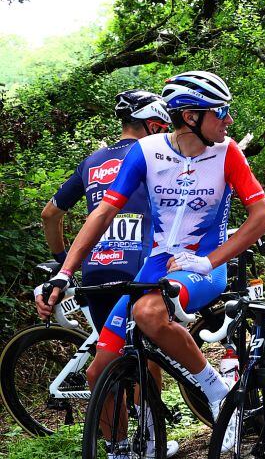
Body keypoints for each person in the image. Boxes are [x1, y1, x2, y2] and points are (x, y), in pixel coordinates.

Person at [37, 71, 265, 453]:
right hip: (156, 263)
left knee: (148, 313)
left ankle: (218, 393)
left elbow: (263, 217)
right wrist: (65, 272)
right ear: (190, 117)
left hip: (203, 265)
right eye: (221, 112)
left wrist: (208, 261)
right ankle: (122, 449)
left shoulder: (227, 152)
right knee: (98, 370)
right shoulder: (146, 153)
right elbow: (102, 214)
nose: (229, 120)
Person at [43, 91, 171, 331]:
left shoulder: (92, 161)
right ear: (153, 127)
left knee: (114, 357)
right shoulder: (154, 156)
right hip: (142, 266)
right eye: (164, 129)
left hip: (95, 268)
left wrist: (64, 261)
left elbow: (49, 214)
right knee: (149, 356)